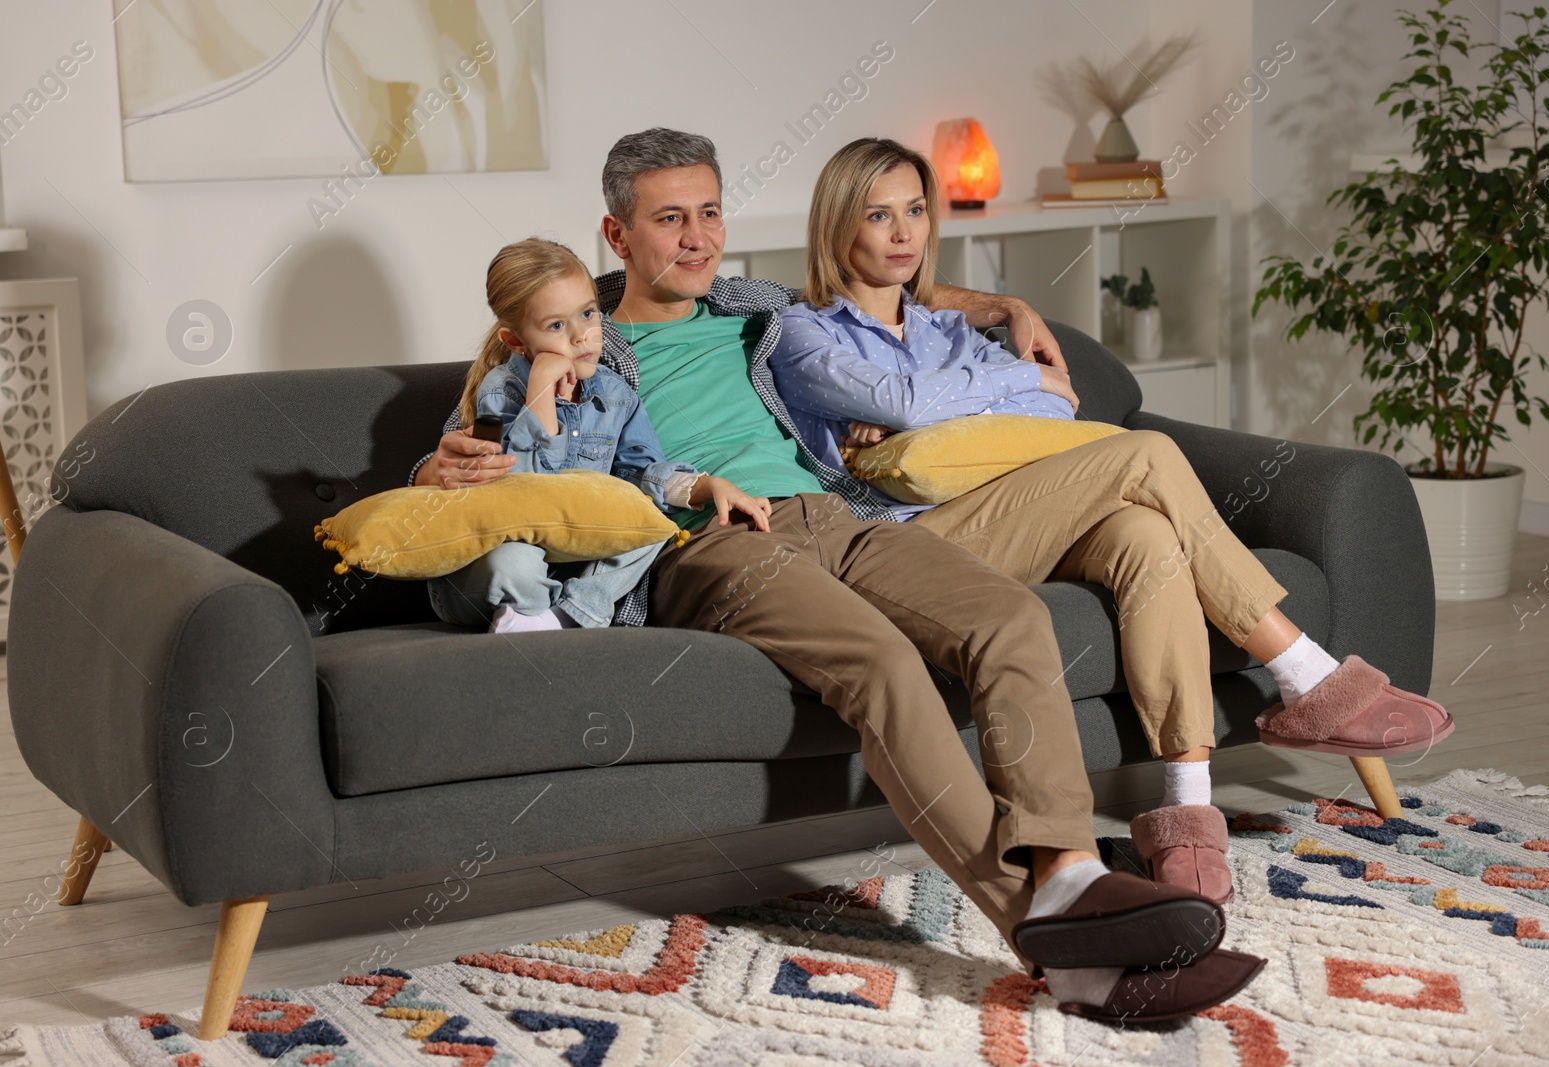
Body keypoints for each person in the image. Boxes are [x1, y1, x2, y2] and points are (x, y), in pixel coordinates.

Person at [412, 128, 1270, 1020]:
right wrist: (438, 470)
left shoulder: (754, 305)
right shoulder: (572, 330)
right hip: (706, 542)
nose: (699, 238)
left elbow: (887, 278)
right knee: (884, 665)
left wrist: (1006, 305)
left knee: (1012, 619)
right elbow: (468, 444)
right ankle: (1049, 933)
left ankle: (1072, 871)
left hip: (837, 516)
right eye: (671, 220)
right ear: (616, 237)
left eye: (710, 213)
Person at [768, 136, 1456, 905]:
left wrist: (966, 389)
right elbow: (909, 403)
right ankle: (1309, 677)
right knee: (1145, 454)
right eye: (877, 214)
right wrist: (961, 393)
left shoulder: (944, 332)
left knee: (1148, 538)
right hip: (910, 546)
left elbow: (1056, 399)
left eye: (916, 211)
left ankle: (1187, 803)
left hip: (1016, 508)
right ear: (839, 228)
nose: (903, 233)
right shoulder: (805, 332)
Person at [427, 237, 772, 634]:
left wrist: (704, 485)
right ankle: (537, 611)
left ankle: (567, 615)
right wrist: (540, 389)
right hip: (503, 559)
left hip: (573, 563)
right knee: (514, 563)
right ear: (516, 341)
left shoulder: (615, 394)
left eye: (587, 314)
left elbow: (641, 473)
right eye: (556, 325)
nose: (581, 336)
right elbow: (515, 491)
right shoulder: (499, 391)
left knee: (653, 527)